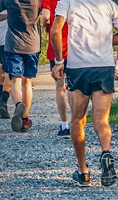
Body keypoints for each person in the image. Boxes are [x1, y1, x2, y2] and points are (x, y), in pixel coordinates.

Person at [51, 0, 118, 186]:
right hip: (104, 67)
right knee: (102, 121)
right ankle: (106, 153)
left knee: (78, 119)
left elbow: (55, 31)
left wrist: (59, 61)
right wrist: (100, 42)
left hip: (79, 68)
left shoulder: (66, 2)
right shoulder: (109, 3)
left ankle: (83, 172)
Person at [0, 0, 41, 132]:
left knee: (15, 80)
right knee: (27, 83)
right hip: (32, 46)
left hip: (13, 45)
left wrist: (9, 16)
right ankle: (25, 119)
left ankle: (19, 104)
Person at [41, 0, 70, 138]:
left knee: (60, 88)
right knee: (74, 88)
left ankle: (65, 125)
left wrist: (46, 26)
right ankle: (77, 123)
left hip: (56, 48)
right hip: (75, 47)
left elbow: (46, 17)